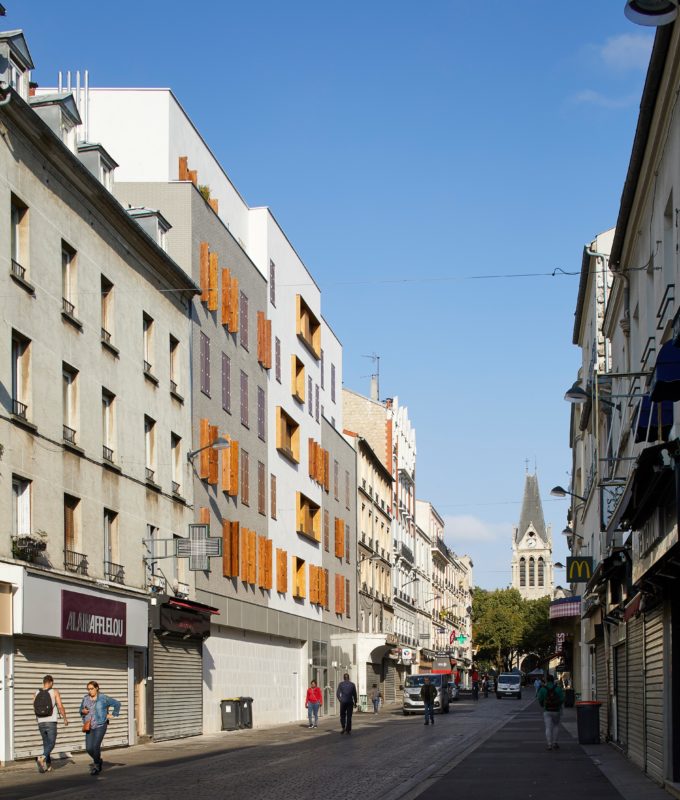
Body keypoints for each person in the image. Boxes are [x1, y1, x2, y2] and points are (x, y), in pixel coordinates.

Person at [79, 680, 121, 774]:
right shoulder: (85, 698)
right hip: (89, 725)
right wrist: (83, 711)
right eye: (88, 689)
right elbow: (80, 710)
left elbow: (117, 704)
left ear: (97, 688)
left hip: (100, 725)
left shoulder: (103, 698)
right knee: (89, 748)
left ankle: (96, 766)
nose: (90, 691)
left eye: (92, 689)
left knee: (95, 746)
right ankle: (98, 760)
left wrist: (113, 714)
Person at [33, 674, 68, 773]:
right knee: (51, 743)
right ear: (51, 682)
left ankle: (48, 766)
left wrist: (38, 719)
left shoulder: (36, 692)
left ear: (43, 682)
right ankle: (42, 758)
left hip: (40, 722)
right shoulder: (54, 691)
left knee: (46, 744)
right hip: (51, 721)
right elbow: (60, 706)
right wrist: (65, 718)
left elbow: (35, 708)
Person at [537, 674, 565, 751]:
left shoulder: (543, 689)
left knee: (548, 728)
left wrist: (543, 704)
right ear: (553, 680)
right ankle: (555, 743)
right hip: (556, 710)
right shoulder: (558, 688)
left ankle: (549, 744)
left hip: (547, 710)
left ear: (546, 680)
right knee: (556, 726)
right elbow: (562, 698)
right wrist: (558, 705)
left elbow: (539, 699)